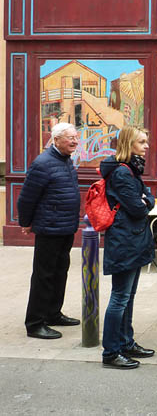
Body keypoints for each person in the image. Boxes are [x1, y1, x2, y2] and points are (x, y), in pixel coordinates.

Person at [100, 125, 156, 369]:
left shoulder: (132, 170)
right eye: (142, 142)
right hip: (124, 241)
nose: (146, 146)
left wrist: (146, 199)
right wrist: (145, 201)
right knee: (120, 297)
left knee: (128, 296)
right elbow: (139, 207)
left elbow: (147, 199)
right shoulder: (123, 173)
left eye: (146, 142)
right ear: (129, 144)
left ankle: (126, 341)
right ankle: (111, 351)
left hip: (131, 239)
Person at [18, 123, 81, 339]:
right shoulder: (43, 163)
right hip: (49, 228)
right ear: (55, 140)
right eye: (69, 138)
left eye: (75, 137)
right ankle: (35, 323)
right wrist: (25, 222)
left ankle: (53, 314)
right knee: (44, 275)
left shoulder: (66, 161)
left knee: (59, 272)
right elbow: (27, 196)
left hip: (65, 227)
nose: (74, 141)